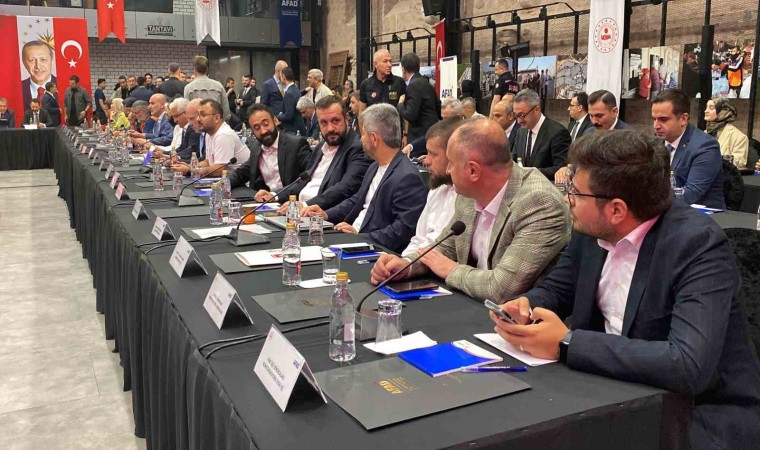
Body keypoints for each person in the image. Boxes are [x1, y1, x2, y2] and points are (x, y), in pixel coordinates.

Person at [491, 130, 760, 449]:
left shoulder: (697, 244)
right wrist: (526, 304)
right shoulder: (591, 227)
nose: (566, 199)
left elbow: (688, 365)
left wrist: (567, 342)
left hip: (691, 412)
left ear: (616, 210)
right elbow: (559, 288)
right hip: (609, 389)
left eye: (574, 191)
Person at [372, 117, 570, 301]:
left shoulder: (539, 203)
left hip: (519, 320)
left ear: (473, 171)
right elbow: (444, 248)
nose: (448, 170)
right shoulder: (468, 195)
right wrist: (405, 265)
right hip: (473, 307)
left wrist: (452, 270)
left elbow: (500, 288)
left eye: (451, 163)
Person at [303, 104, 427, 253]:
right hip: (352, 238)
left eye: (362, 134)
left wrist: (360, 237)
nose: (360, 139)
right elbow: (356, 200)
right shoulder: (374, 166)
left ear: (374, 138)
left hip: (373, 250)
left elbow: (402, 230)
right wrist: (326, 214)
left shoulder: (407, 177)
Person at [276, 95, 371, 214]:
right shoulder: (320, 147)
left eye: (335, 121)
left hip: (324, 215)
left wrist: (305, 205)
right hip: (299, 212)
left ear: (346, 119)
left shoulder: (357, 148)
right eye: (324, 123)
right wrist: (275, 196)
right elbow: (303, 181)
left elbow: (346, 188)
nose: (330, 128)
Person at [652, 89, 724, 209]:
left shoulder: (705, 146)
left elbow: (691, 194)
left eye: (663, 120)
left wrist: (646, 196)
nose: (656, 126)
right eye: (654, 119)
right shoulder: (654, 143)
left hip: (700, 216)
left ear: (683, 119)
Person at [401, 117, 461, 255]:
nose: (426, 161)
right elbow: (418, 240)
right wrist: (404, 261)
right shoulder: (437, 188)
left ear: (453, 155)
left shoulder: (470, 198)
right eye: (427, 153)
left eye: (433, 154)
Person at [228, 103, 311, 203]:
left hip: (290, 203)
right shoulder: (256, 147)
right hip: (265, 203)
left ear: (275, 121)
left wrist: (275, 195)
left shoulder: (296, 145)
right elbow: (241, 173)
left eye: (266, 124)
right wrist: (222, 184)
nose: (263, 131)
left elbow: (308, 178)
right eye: (257, 128)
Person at [172, 100, 248, 176]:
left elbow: (219, 170)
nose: (198, 119)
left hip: (241, 181)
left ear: (216, 118)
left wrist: (190, 171)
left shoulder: (224, 135)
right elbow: (208, 162)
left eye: (203, 115)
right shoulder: (209, 134)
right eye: (198, 115)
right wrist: (189, 166)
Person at [511, 89, 570, 180]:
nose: (519, 121)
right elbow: (514, 160)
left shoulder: (557, 132)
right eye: (516, 116)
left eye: (522, 115)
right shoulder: (521, 132)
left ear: (537, 110)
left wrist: (528, 172)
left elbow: (562, 168)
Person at [398, 52, 441, 156]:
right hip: (431, 133)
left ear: (403, 70)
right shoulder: (426, 83)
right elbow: (438, 107)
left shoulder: (413, 86)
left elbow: (410, 115)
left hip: (419, 138)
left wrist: (400, 104)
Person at [402, 97, 466, 157]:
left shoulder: (468, 133)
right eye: (442, 118)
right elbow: (430, 138)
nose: (443, 122)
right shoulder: (442, 127)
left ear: (459, 117)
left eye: (446, 118)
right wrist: (410, 146)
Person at [705, 97, 748, 169]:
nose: (706, 111)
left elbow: (738, 164)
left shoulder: (739, 137)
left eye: (711, 108)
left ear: (724, 111)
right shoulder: (704, 134)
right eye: (706, 107)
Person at [184, 56, 231, 120]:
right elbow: (226, 113)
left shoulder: (188, 88)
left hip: (197, 124)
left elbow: (187, 114)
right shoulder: (219, 86)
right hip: (216, 123)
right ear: (207, 70)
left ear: (195, 70)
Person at [20, 41, 56, 110]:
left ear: (52, 60)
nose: (38, 66)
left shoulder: (64, 86)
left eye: (43, 60)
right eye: (32, 60)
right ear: (24, 63)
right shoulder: (17, 89)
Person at [277, 67, 307, 136]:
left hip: (292, 130)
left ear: (284, 77)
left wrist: (279, 116)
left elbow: (289, 115)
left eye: (281, 76)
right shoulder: (296, 89)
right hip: (299, 127)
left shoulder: (289, 93)